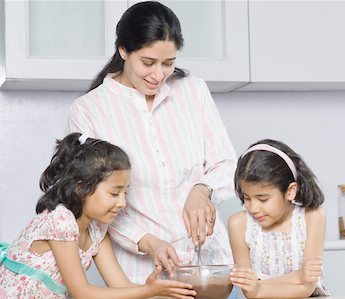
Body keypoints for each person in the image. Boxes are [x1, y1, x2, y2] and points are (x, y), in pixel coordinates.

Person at [66, 1, 237, 284]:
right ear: (123, 50)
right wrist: (147, 241)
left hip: (212, 265)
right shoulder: (89, 110)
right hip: (142, 275)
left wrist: (202, 189)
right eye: (148, 62)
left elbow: (227, 163)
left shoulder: (193, 90)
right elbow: (93, 201)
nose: (158, 75)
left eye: (168, 63)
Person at [0, 133, 196, 299]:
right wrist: (148, 290)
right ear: (81, 187)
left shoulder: (97, 230)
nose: (122, 203)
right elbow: (82, 293)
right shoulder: (61, 221)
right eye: (114, 193)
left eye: (125, 193)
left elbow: (120, 286)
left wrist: (166, 291)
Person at [228, 139, 330, 298]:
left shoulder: (313, 217)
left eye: (262, 199)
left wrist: (259, 288)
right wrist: (298, 276)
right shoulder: (239, 224)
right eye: (246, 198)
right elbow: (248, 291)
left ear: (290, 191)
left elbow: (307, 287)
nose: (253, 209)